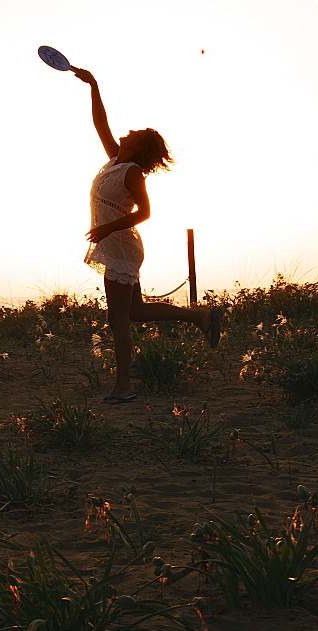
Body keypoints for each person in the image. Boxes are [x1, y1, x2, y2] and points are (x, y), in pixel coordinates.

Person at [72, 68, 220, 404]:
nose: (128, 131)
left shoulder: (132, 171)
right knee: (134, 312)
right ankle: (200, 317)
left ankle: (124, 386)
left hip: (122, 246)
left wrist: (108, 227)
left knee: (118, 319)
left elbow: (145, 212)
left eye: (135, 132)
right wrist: (94, 86)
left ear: (139, 146)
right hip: (114, 244)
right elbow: (100, 123)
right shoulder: (114, 160)